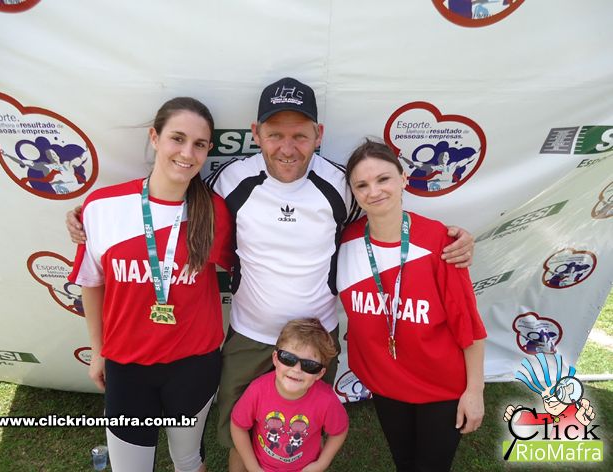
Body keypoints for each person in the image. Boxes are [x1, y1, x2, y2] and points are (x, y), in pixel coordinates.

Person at [66, 77, 475, 472]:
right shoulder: (228, 181)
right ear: (256, 133)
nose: (287, 147)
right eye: (275, 134)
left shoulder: (341, 185)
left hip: (316, 337)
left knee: (300, 437)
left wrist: (450, 238)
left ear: (319, 135)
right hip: (250, 335)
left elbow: (382, 219)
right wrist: (90, 218)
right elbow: (168, 203)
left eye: (300, 135)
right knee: (240, 434)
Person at [68, 97, 234, 472]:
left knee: (187, 460)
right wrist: (98, 350)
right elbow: (91, 282)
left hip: (194, 365)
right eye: (177, 138)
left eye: (199, 144)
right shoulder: (102, 207)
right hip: (127, 365)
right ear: (154, 137)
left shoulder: (215, 211)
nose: (187, 153)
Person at [336, 139, 486, 471]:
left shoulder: (440, 242)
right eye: (362, 185)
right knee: (404, 463)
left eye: (383, 179)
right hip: (386, 384)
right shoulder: (345, 242)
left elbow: (469, 326)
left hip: (441, 388)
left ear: (404, 179)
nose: (374, 191)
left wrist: (474, 391)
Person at [230, 318, 348, 472]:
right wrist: (253, 467)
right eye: (288, 358)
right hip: (262, 467)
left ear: (320, 373)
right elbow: (238, 426)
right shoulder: (257, 390)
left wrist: (321, 464)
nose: (297, 369)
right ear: (275, 358)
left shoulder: (326, 400)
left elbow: (339, 430)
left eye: (309, 365)